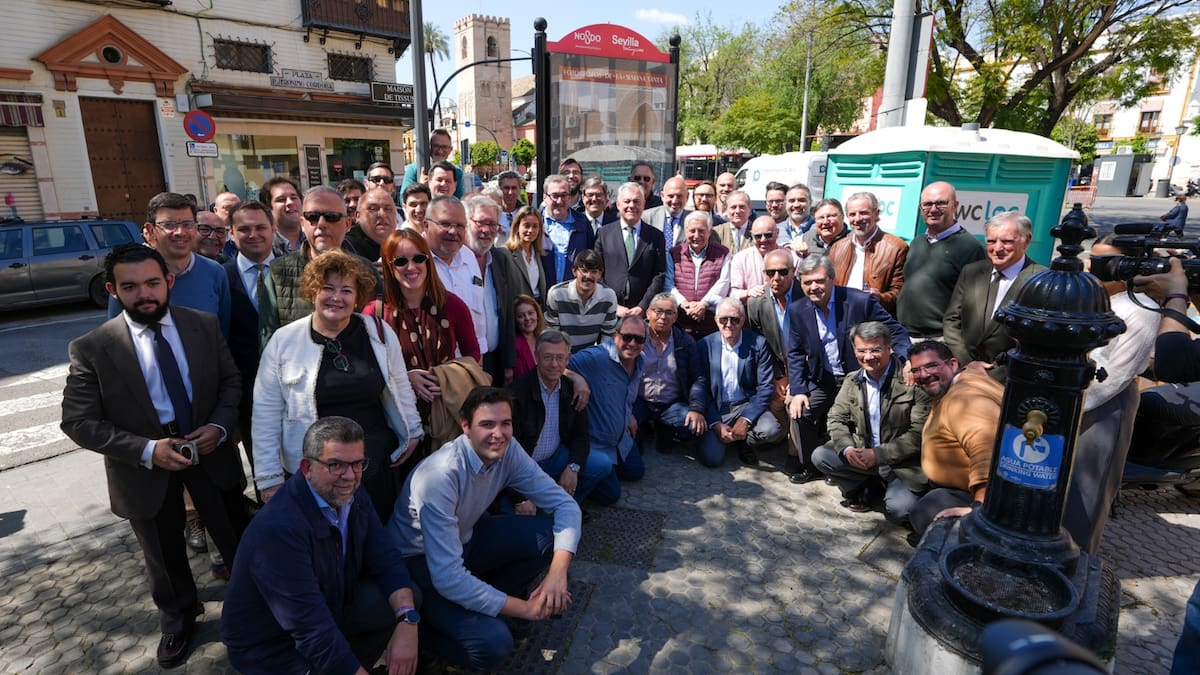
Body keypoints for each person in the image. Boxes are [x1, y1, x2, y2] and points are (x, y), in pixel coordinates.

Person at [61, 244, 247, 668]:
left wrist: (219, 427)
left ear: (169, 281)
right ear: (112, 290)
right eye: (130, 287)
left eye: (152, 283)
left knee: (235, 535)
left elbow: (230, 382)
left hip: (209, 452)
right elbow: (78, 421)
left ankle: (254, 601)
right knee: (162, 553)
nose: (144, 294)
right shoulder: (92, 348)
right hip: (144, 467)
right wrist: (147, 450)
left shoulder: (203, 325)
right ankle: (179, 617)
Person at [392, 387, 581, 672]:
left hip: (466, 539)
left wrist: (557, 573)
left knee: (547, 538)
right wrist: (525, 609)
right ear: (466, 427)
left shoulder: (508, 449)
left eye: (506, 423)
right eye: (487, 424)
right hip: (419, 562)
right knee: (493, 644)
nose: (498, 434)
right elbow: (448, 577)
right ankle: (421, 633)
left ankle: (489, 606)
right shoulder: (440, 476)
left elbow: (566, 505)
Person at [221, 417, 420, 675]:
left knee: (408, 596)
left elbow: (386, 559)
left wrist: (407, 620)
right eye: (335, 465)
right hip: (273, 648)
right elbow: (310, 628)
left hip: (329, 607)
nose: (350, 476)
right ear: (307, 467)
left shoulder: (353, 494)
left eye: (357, 464)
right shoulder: (279, 528)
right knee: (328, 649)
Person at [253, 250, 422, 523]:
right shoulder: (284, 342)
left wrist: (412, 431)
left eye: (346, 290)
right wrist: (269, 478)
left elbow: (400, 385)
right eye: (328, 288)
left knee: (375, 537)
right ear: (312, 291)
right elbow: (266, 413)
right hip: (316, 473)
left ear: (358, 297)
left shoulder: (379, 333)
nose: (336, 297)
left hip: (373, 465)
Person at [1062, 234, 1159, 554]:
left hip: (1105, 405)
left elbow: (1117, 374)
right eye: (1093, 259)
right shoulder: (1096, 297)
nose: (1094, 267)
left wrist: (1071, 405)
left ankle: (1079, 559)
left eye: (1105, 261)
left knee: (1088, 490)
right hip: (1074, 397)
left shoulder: (1142, 310)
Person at [786, 255, 911, 484]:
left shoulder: (859, 301)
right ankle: (813, 466)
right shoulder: (797, 310)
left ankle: (855, 471)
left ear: (832, 279)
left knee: (861, 417)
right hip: (823, 378)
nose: (814, 287)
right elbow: (794, 352)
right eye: (807, 282)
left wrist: (907, 361)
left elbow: (896, 331)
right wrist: (798, 390)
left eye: (819, 281)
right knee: (800, 411)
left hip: (860, 378)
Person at [362, 228, 480, 439]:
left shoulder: (453, 305)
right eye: (401, 261)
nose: (411, 267)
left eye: (418, 258)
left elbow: (473, 353)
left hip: (447, 417)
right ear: (389, 266)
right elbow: (367, 368)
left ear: (428, 261)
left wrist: (446, 376)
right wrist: (406, 377)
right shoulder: (375, 313)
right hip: (396, 422)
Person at [812, 322, 930, 521]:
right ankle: (866, 486)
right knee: (821, 456)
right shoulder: (852, 380)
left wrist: (878, 455)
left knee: (901, 510)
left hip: (902, 463)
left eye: (875, 350)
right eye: (861, 350)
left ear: (889, 347)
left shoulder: (911, 381)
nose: (868, 357)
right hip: (863, 454)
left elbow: (919, 434)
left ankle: (891, 487)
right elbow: (836, 418)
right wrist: (847, 449)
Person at [908, 341, 1004, 538]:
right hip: (956, 485)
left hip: (988, 497)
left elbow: (987, 449)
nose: (923, 375)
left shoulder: (965, 400)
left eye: (931, 366)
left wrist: (979, 507)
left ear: (952, 364)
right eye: (916, 370)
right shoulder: (967, 377)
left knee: (924, 511)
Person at [509, 331, 615, 507]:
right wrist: (520, 497)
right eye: (547, 357)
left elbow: (581, 436)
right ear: (536, 357)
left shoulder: (572, 389)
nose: (554, 364)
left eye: (560, 358)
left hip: (555, 458)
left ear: (568, 359)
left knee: (602, 466)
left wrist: (573, 467)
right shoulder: (517, 393)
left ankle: (565, 503)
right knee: (516, 513)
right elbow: (508, 452)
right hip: (525, 466)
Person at [109, 192, 231, 336]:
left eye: (187, 224)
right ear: (151, 230)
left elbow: (222, 332)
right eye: (169, 225)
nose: (180, 232)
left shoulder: (215, 272)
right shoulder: (130, 276)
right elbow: (118, 336)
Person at [265, 186, 383, 335]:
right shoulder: (278, 272)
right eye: (312, 216)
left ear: (347, 224)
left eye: (331, 216)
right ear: (302, 223)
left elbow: (378, 332)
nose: (321, 223)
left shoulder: (366, 271)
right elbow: (268, 339)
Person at [943, 211, 1045, 381]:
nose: (997, 248)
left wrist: (995, 374)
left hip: (1011, 378)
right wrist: (969, 363)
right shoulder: (971, 272)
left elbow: (1039, 341)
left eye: (1007, 241)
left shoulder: (1041, 281)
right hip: (967, 373)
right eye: (991, 241)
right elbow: (951, 320)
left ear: (1026, 240)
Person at [691, 298, 786, 467]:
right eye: (723, 319)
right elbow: (701, 387)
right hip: (717, 407)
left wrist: (745, 420)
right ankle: (725, 436)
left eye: (734, 319)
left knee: (771, 430)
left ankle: (745, 441)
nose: (729, 324)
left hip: (745, 404)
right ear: (716, 320)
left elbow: (765, 387)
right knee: (712, 459)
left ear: (743, 320)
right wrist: (715, 423)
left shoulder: (758, 343)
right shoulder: (704, 345)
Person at [222, 200, 277, 483]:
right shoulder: (220, 277)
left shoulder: (295, 270)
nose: (253, 234)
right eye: (244, 229)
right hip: (246, 397)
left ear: (273, 229)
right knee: (265, 474)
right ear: (231, 233)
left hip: (294, 391)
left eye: (260, 227)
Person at [569, 316, 650, 502]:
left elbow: (626, 393)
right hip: (596, 443)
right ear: (615, 336)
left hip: (620, 439)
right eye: (627, 337)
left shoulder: (640, 360)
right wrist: (576, 378)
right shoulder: (595, 358)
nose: (632, 343)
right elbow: (557, 366)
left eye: (639, 339)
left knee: (636, 471)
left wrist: (628, 415)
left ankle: (603, 472)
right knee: (611, 495)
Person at [896, 181, 987, 340]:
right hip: (906, 335)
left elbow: (976, 303)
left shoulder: (970, 247)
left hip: (940, 339)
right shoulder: (918, 242)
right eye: (927, 204)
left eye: (941, 203)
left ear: (955, 205)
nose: (933, 209)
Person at [746, 248, 807, 476]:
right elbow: (759, 346)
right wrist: (776, 376)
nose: (776, 278)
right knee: (774, 403)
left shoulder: (807, 295)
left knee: (796, 404)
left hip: (805, 367)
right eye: (771, 272)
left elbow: (816, 344)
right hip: (776, 370)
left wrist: (794, 378)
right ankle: (779, 437)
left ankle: (795, 454)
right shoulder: (756, 303)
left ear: (793, 271)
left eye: (783, 272)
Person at [634, 293, 704, 455]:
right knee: (625, 431)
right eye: (658, 311)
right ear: (648, 313)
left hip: (671, 403)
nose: (663, 317)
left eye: (669, 312)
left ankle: (664, 427)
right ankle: (644, 427)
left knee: (693, 427)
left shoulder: (685, 342)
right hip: (639, 401)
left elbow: (698, 378)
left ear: (676, 316)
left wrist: (696, 408)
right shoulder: (636, 337)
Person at [828, 191, 908, 316]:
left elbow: (901, 292)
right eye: (852, 214)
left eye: (863, 213)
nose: (857, 219)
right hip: (841, 315)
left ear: (876, 214)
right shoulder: (837, 247)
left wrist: (880, 298)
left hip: (874, 318)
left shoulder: (897, 248)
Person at [595, 181, 668, 317]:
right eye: (627, 201)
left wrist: (643, 306)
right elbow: (597, 273)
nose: (631, 206)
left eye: (636, 201)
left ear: (643, 204)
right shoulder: (604, 233)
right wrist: (612, 304)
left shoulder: (655, 236)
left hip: (642, 313)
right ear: (618, 204)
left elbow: (659, 274)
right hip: (609, 312)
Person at [666, 211, 731, 337]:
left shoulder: (723, 253)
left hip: (711, 324)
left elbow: (724, 282)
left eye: (701, 231)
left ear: (710, 231)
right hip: (681, 324)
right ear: (685, 231)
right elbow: (668, 283)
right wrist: (684, 304)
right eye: (692, 231)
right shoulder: (674, 253)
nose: (696, 235)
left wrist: (704, 304)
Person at [544, 249, 619, 352]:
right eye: (584, 271)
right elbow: (552, 335)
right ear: (574, 271)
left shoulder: (608, 296)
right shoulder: (557, 294)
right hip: (562, 354)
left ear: (600, 274)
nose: (588, 276)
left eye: (594, 272)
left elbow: (608, 337)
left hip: (591, 355)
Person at [541, 173, 594, 284]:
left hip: (573, 290)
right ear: (545, 197)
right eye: (555, 196)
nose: (559, 201)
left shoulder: (582, 223)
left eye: (564, 195)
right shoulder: (536, 222)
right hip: (542, 290)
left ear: (569, 197)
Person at [730, 215, 794, 301]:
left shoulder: (791, 256)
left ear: (777, 233)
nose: (763, 240)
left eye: (768, 235)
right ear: (752, 236)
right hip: (752, 307)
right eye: (758, 236)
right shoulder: (740, 259)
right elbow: (733, 293)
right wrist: (748, 292)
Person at [400, 129, 465, 198]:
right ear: (429, 147)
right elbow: (403, 198)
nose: (440, 151)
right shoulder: (414, 169)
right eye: (436, 146)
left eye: (444, 147)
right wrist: (420, 188)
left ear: (450, 149)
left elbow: (460, 199)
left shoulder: (457, 172)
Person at [502, 205, 549, 302]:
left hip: (537, 306)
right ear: (517, 227)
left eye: (535, 226)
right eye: (526, 226)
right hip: (517, 308)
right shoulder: (505, 253)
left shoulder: (538, 254)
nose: (531, 230)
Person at [344, 186, 397, 265]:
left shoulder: (402, 244)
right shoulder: (347, 247)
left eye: (387, 209)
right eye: (373, 209)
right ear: (358, 216)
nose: (382, 214)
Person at [260, 176, 305, 254]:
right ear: (268, 208)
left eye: (293, 197)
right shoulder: (262, 245)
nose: (290, 202)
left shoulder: (314, 239)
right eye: (281, 200)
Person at [643, 176, 691, 247]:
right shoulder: (646, 217)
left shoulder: (695, 220)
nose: (674, 201)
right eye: (671, 196)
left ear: (687, 197)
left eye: (679, 196)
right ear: (662, 196)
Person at [513, 294, 544, 381]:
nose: (527, 318)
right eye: (521, 316)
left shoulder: (543, 339)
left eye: (530, 313)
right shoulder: (516, 345)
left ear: (537, 314)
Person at [777, 183, 812, 250]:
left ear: (810, 202)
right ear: (786, 204)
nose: (796, 205)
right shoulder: (775, 229)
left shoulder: (820, 229)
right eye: (792, 201)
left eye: (801, 200)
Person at [496, 170, 526, 234]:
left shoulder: (526, 213)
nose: (510, 192)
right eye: (506, 188)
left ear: (519, 189)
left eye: (514, 188)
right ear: (499, 189)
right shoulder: (491, 214)